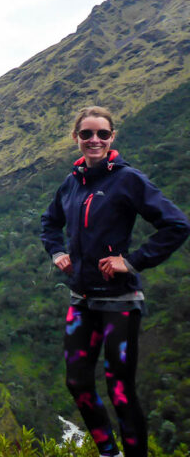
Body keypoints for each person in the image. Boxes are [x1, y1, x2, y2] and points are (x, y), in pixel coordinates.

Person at [40, 106, 190, 457]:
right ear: (76, 138)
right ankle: (109, 452)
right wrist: (56, 252)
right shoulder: (72, 181)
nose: (94, 140)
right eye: (87, 134)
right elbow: (50, 222)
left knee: (120, 390)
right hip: (81, 298)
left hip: (120, 301)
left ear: (112, 138)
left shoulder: (128, 179)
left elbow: (177, 225)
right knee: (76, 382)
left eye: (102, 134)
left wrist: (132, 261)